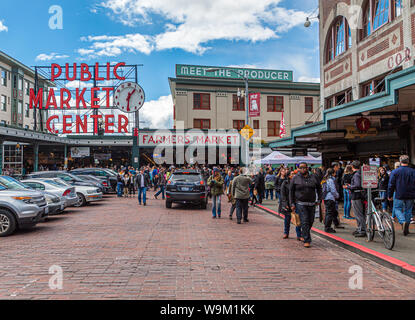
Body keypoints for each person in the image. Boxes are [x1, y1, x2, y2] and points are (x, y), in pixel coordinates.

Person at [289, 162, 322, 248]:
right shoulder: (295, 178)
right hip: (300, 203)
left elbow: (319, 188)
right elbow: (291, 191)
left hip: (312, 203)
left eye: (304, 167)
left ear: (307, 168)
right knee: (305, 220)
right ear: (299, 169)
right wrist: (292, 203)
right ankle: (307, 240)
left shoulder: (314, 177)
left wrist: (319, 199)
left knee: (310, 221)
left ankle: (305, 233)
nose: (303, 169)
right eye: (301, 167)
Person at [388, 155, 415, 236]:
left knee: (397, 209)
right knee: (408, 210)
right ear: (408, 161)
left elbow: (391, 184)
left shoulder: (395, 171)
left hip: (399, 193)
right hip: (411, 194)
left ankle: (402, 221)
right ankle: (406, 227)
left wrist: (389, 194)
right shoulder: (413, 171)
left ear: (400, 161)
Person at [280, 170, 302, 240]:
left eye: (294, 174)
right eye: (292, 174)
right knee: (287, 219)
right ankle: (286, 233)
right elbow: (283, 194)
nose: (294, 175)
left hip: (297, 203)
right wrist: (285, 203)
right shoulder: (285, 183)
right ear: (289, 176)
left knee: (298, 219)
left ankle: (299, 235)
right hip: (288, 204)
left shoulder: (298, 183)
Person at [349, 161, 366, 237]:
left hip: (356, 196)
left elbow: (357, 185)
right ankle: (360, 228)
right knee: (361, 214)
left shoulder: (356, 175)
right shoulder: (361, 173)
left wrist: (349, 187)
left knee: (358, 214)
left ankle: (362, 230)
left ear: (352, 166)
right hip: (362, 195)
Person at [322, 168, 340, 233]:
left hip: (325, 197)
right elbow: (333, 190)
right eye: (334, 173)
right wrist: (337, 195)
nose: (335, 174)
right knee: (329, 213)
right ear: (332, 173)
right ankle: (327, 227)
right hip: (330, 198)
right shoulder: (331, 180)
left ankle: (336, 223)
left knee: (332, 212)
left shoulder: (325, 179)